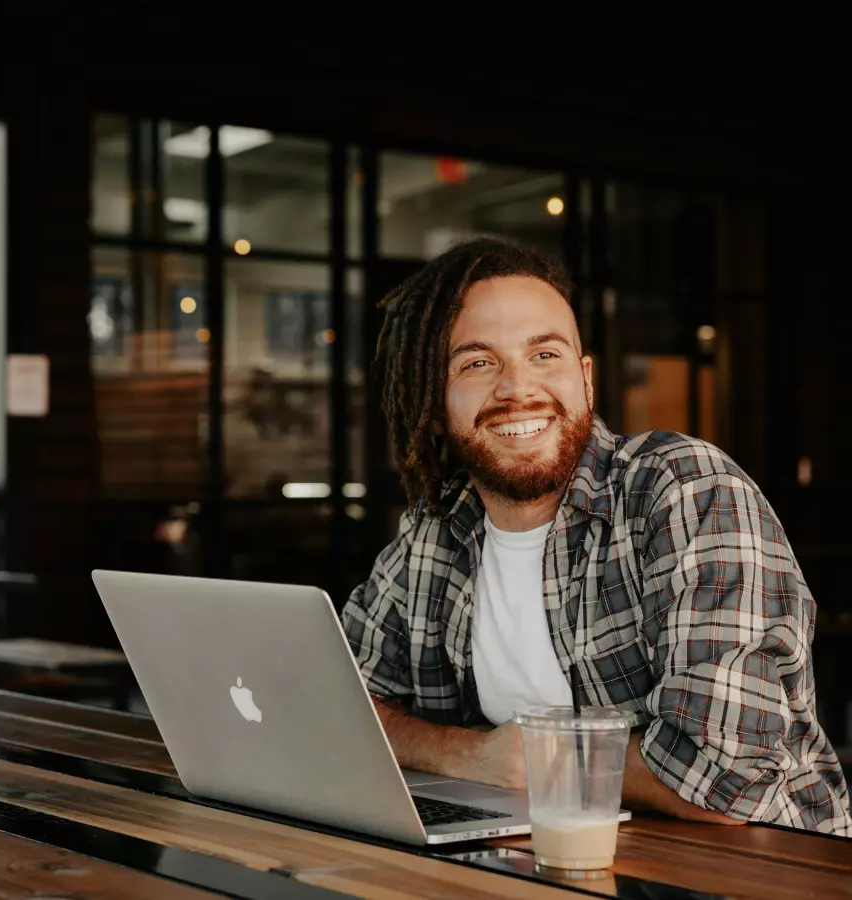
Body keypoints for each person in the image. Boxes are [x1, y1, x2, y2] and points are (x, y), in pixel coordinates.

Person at [341, 237, 851, 835]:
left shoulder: (684, 490)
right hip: (543, 859)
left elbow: (724, 778)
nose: (516, 388)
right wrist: (466, 755)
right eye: (477, 363)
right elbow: (340, 702)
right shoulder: (435, 535)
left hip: (755, 868)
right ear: (437, 398)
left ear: (585, 377)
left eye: (544, 355)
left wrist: (539, 756)